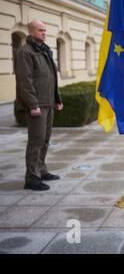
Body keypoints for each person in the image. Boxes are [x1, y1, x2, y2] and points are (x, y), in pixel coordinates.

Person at [14, 20, 63, 191]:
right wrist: (33, 104)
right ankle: (32, 178)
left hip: (48, 102)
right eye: (40, 30)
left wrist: (57, 99)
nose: (44, 33)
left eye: (45, 30)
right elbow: (24, 81)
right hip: (37, 105)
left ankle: (41, 170)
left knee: (45, 139)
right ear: (31, 31)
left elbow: (51, 77)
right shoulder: (25, 52)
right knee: (36, 141)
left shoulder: (43, 50)